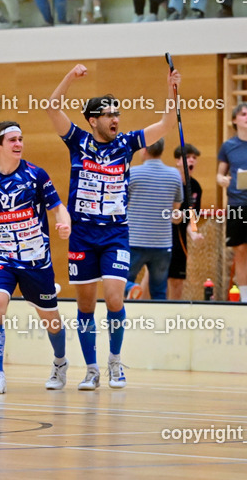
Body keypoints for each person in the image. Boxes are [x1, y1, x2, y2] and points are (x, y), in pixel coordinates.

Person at [45, 63, 180, 390]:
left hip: (116, 234)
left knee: (115, 298)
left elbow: (165, 122)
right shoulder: (77, 140)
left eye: (117, 113)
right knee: (86, 305)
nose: (115, 119)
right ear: (93, 121)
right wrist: (70, 78)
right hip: (82, 236)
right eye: (108, 115)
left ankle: (115, 363)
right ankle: (91, 369)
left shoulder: (127, 143)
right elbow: (51, 107)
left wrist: (171, 89)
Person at [0, 121, 72, 394]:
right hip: (1, 257)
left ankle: (60, 362)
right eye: (12, 140)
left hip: (36, 259)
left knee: (51, 320)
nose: (18, 144)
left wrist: (64, 224)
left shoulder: (36, 175)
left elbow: (58, 208)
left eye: (21, 139)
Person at [125, 138, 183, 301]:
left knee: (120, 280)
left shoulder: (133, 173)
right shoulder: (174, 176)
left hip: (135, 242)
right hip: (162, 244)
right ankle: (159, 324)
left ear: (144, 150)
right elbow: (175, 211)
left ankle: (131, 289)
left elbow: (121, 205)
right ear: (162, 151)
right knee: (159, 291)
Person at [217, 102, 247, 302]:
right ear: (235, 120)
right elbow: (220, 175)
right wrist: (222, 180)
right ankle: (246, 298)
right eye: (243, 114)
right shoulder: (228, 146)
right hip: (235, 206)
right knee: (239, 251)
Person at [168, 144, 202, 300]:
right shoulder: (168, 182)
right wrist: (170, 216)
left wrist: (194, 233)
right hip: (162, 237)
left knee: (177, 279)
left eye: (194, 158)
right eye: (187, 157)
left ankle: (173, 314)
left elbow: (192, 219)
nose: (192, 160)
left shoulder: (196, 187)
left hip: (181, 239)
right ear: (177, 161)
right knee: (157, 278)